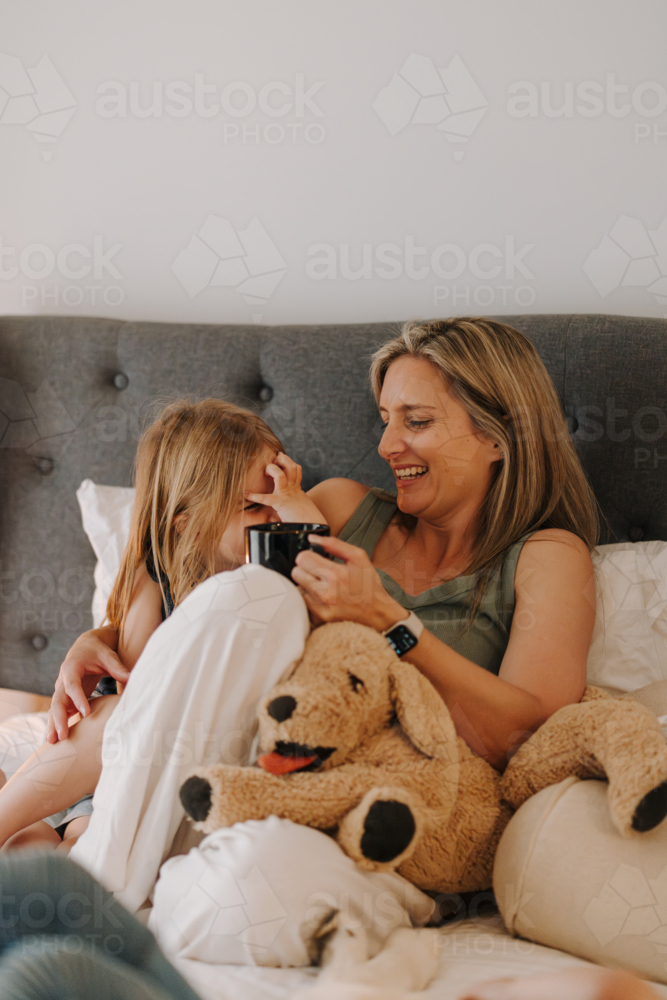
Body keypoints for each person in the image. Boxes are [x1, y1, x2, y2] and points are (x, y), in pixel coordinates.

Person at [0, 317, 600, 947]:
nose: (387, 446)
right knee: (251, 594)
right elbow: (213, 583)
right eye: (385, 419)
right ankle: (92, 889)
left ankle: (94, 881)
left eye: (415, 422)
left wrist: (389, 623)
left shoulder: (548, 557)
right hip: (244, 757)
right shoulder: (339, 507)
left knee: (242, 884)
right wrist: (104, 632)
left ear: (500, 436)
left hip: (377, 806)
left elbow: (534, 739)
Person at [0, 398, 327, 854]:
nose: (274, 517)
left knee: (67, 850)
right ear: (189, 526)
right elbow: (135, 699)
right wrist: (101, 637)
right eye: (255, 505)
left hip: (167, 763)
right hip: (111, 765)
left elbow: (321, 569)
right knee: (59, 821)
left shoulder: (273, 578)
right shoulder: (154, 577)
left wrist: (296, 509)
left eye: (280, 498)